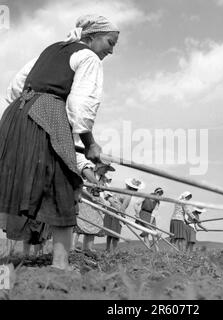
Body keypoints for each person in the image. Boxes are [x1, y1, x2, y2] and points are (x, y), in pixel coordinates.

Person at [0, 14, 119, 270]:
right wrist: (90, 144)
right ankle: (60, 265)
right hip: (47, 113)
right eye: (110, 42)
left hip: (15, 116)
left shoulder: (49, 51)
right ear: (93, 36)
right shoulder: (87, 57)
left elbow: (15, 88)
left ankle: (13, 261)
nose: (112, 49)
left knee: (17, 181)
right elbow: (80, 105)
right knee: (63, 183)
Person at [72, 153, 115, 255]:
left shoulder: (104, 179)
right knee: (78, 225)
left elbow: (107, 193)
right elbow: (80, 186)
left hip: (95, 206)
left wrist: (108, 202)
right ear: (100, 166)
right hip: (83, 202)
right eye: (105, 168)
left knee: (93, 225)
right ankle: (72, 247)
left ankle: (87, 248)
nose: (106, 170)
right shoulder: (88, 172)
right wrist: (91, 196)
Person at [104, 178, 145, 253]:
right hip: (117, 212)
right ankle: (114, 251)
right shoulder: (128, 196)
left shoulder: (121, 190)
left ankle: (107, 249)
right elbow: (122, 208)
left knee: (109, 232)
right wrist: (123, 217)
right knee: (115, 233)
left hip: (110, 210)